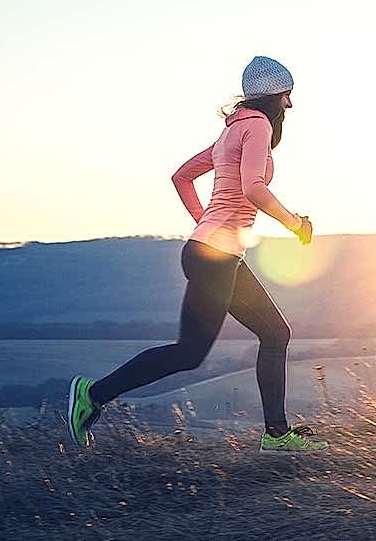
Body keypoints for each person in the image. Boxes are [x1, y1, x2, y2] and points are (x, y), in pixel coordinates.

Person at [68, 55, 328, 454]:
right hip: (215, 257)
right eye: (287, 97)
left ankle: (277, 434)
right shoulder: (256, 126)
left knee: (271, 333)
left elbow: (181, 176)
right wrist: (296, 225)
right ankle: (93, 394)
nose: (290, 106)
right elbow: (253, 189)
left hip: (211, 251)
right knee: (195, 352)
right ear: (275, 98)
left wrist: (204, 222)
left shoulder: (230, 132)